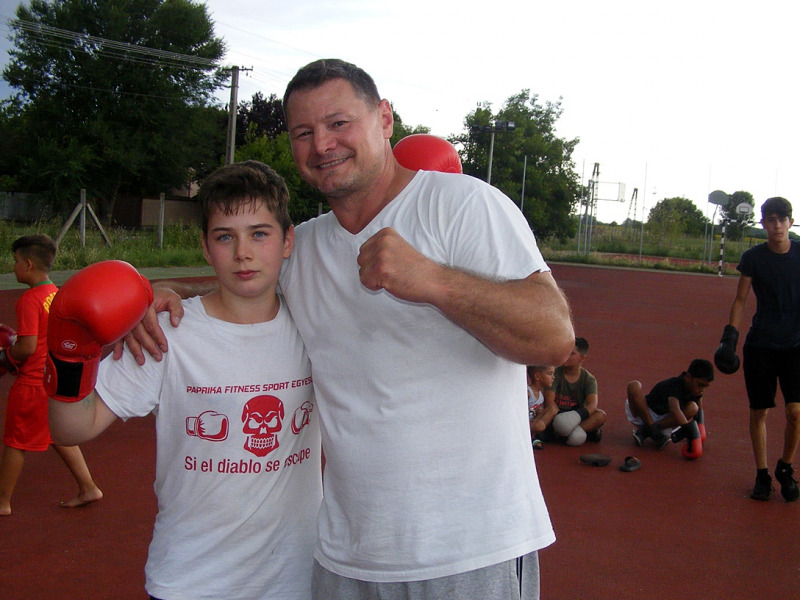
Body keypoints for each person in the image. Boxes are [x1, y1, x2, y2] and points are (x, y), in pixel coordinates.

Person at [126, 59, 574, 599]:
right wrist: (169, 298)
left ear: (384, 118)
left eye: (339, 123)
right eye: (303, 132)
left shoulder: (463, 206)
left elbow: (554, 336)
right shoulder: (306, 247)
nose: (322, 144)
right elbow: (245, 286)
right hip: (346, 558)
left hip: (468, 550)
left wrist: (433, 281)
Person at [48, 162, 322, 599]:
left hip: (294, 580)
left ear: (288, 241)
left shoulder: (315, 327)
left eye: (260, 233)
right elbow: (71, 428)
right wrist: (69, 353)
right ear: (205, 246)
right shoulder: (168, 333)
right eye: (225, 236)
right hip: (192, 579)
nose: (243, 253)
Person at [0, 234, 102, 516]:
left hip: (31, 384)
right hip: (51, 380)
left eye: (16, 261)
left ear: (28, 264)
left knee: (15, 442)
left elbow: (27, 346)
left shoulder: (29, 300)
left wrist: (7, 357)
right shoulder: (56, 295)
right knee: (59, 436)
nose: (14, 266)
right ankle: (88, 487)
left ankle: (2, 501)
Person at [716, 196, 800, 502]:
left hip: (795, 346)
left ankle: (786, 468)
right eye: (770, 220)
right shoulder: (754, 258)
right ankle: (762, 474)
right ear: (763, 224)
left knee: (795, 413)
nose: (776, 226)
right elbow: (740, 300)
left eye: (782, 220)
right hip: (761, 345)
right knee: (760, 411)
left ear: (790, 222)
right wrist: (730, 337)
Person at [624, 358, 714, 459]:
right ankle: (651, 428)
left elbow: (698, 405)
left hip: (664, 422)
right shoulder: (675, 385)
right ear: (688, 377)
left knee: (693, 408)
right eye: (700, 385)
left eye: (706, 387)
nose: (702, 390)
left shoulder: (695, 390)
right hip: (644, 414)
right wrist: (691, 433)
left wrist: (700, 426)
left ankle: (647, 431)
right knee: (634, 385)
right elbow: (674, 409)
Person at [543, 337, 606, 445]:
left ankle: (573, 431)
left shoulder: (589, 379)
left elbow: (592, 406)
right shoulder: (555, 374)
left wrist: (571, 421)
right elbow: (549, 402)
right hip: (555, 414)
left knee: (601, 416)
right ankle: (584, 432)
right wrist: (561, 421)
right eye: (565, 352)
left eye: (572, 354)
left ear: (582, 358)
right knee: (547, 415)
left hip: (577, 416)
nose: (566, 356)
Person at [528, 365, 556, 446]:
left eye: (553, 374)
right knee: (539, 425)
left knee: (552, 409)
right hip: (525, 424)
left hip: (534, 422)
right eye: (549, 374)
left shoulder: (540, 395)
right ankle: (531, 437)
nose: (553, 377)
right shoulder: (528, 393)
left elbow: (538, 411)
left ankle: (534, 435)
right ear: (537, 376)